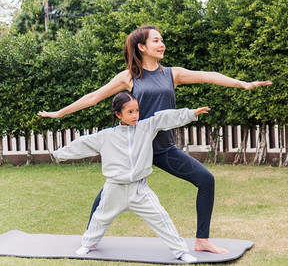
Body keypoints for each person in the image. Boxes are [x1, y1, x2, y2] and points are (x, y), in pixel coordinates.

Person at [39, 24, 272, 254]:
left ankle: (202, 240)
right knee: (111, 190)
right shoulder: (129, 77)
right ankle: (90, 237)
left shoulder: (172, 74)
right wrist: (59, 113)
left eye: (161, 40)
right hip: (133, 149)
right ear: (141, 47)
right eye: (156, 40)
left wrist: (242, 83)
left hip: (162, 148)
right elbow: (93, 97)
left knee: (205, 180)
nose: (161, 44)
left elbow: (208, 76)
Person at [53, 92, 209, 263]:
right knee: (100, 219)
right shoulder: (106, 136)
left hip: (139, 189)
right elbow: (83, 143)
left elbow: (164, 118)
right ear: (118, 114)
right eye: (130, 112)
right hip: (114, 188)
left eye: (137, 110)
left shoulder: (146, 128)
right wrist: (61, 154)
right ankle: (87, 244)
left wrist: (190, 114)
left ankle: (181, 252)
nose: (135, 115)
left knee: (161, 217)